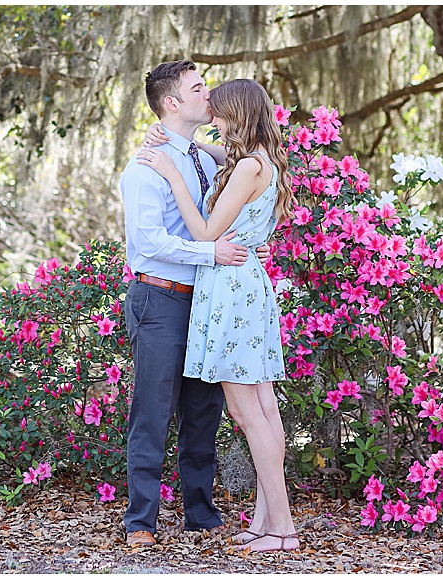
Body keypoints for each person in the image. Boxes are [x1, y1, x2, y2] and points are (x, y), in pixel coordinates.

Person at [135, 78, 299, 553]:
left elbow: (206, 231)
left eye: (219, 107)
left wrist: (170, 173)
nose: (212, 113)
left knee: (248, 413)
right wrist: (168, 142)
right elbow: (203, 151)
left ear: (237, 113)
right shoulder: (256, 159)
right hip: (243, 285)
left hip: (231, 291)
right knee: (263, 410)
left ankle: (282, 528)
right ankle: (268, 522)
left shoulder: (247, 165)